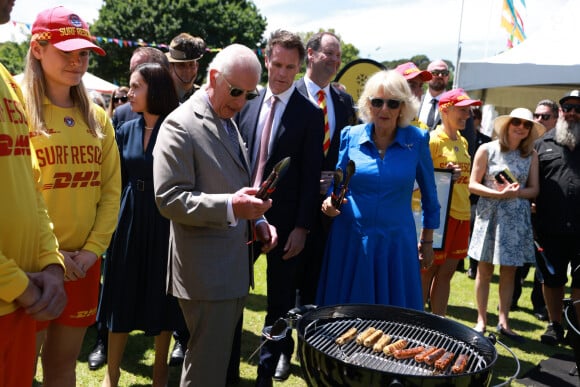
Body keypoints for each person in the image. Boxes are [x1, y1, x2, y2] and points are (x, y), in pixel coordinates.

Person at [153, 43, 277, 387]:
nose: (239, 102)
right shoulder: (180, 124)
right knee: (205, 369)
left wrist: (258, 219)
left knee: (215, 365)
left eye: (248, 95)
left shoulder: (227, 118)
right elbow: (169, 199)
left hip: (230, 268)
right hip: (204, 273)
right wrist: (232, 208)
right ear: (213, 77)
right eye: (235, 91)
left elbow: (234, 182)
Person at [23, 6, 121, 386]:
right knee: (19, 369)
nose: (77, 62)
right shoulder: (16, 111)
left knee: (63, 367)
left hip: (82, 263)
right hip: (31, 264)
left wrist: (92, 250)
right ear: (37, 48)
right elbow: (17, 195)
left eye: (83, 54)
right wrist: (52, 255)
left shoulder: (97, 118)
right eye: (67, 52)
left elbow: (111, 192)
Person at [236, 30, 324, 387]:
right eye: (277, 64)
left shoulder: (309, 115)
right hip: (241, 218)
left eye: (291, 66)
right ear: (266, 60)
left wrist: (302, 227)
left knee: (279, 304)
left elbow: (309, 176)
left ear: (300, 66)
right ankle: (228, 368)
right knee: (232, 296)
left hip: (287, 227)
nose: (282, 73)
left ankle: (264, 375)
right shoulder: (247, 102)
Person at [317, 69, 440, 310]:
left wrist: (427, 241)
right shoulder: (349, 136)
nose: (384, 109)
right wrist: (330, 202)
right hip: (350, 238)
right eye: (377, 102)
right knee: (343, 317)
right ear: (367, 104)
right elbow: (339, 183)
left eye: (393, 103)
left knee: (392, 322)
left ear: (403, 107)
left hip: (395, 244)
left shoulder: (417, 139)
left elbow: (430, 194)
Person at [98, 63, 185, 387]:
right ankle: (112, 374)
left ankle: (159, 374)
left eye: (136, 87)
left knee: (162, 297)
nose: (129, 93)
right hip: (128, 217)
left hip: (165, 222)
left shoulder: (176, 129)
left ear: (156, 90)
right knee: (120, 292)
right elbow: (114, 180)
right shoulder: (124, 128)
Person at [0, 1, 67, 386]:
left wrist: (52, 265)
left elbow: (30, 187)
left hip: (23, 308)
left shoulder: (8, 82)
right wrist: (21, 286)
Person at [468, 108, 542, 342]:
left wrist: (516, 192)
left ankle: (504, 321)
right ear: (507, 125)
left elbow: (535, 190)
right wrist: (495, 193)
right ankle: (481, 320)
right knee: (484, 269)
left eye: (526, 124)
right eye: (516, 122)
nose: (521, 127)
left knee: (510, 273)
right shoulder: (486, 149)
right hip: (489, 215)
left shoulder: (531, 154)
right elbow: (472, 184)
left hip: (515, 218)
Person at [421, 88, 480, 317]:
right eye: (462, 110)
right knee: (427, 272)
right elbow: (421, 179)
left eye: (469, 110)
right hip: (440, 217)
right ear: (445, 109)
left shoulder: (463, 141)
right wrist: (441, 174)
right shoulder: (433, 140)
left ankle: (439, 324)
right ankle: (416, 323)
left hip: (462, 214)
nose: (467, 115)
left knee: (446, 274)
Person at [535, 89, 580, 346]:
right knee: (552, 280)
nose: (573, 112)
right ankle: (555, 325)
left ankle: (576, 328)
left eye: (578, 108)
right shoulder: (542, 144)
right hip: (549, 226)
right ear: (561, 112)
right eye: (568, 108)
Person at [111, 47, 169, 130]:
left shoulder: (181, 113)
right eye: (132, 71)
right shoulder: (121, 114)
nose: (133, 76)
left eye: (140, 69)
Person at [467, 108, 492, 280]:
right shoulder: (463, 139)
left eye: (474, 116)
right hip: (462, 192)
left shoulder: (486, 141)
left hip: (478, 196)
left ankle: (472, 265)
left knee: (475, 230)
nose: (471, 119)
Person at [166, 32, 206, 103]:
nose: (188, 70)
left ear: (197, 66)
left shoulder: (204, 98)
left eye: (191, 64)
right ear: (170, 67)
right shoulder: (159, 97)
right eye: (181, 65)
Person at [417, 59, 450, 130]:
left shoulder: (456, 105)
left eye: (444, 73)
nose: (440, 75)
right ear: (427, 76)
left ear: (448, 77)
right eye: (435, 72)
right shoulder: (415, 102)